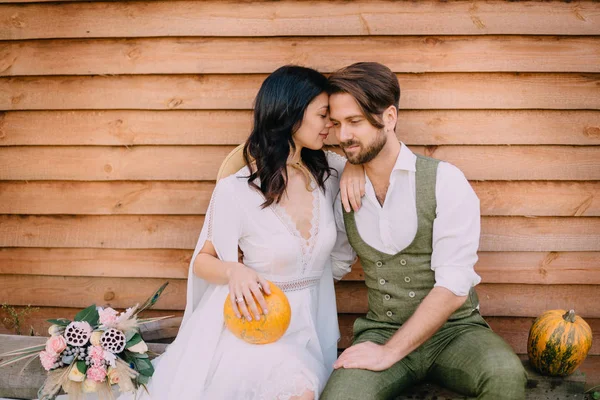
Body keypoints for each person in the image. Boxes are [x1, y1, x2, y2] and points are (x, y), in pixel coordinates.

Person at [115, 66, 360, 400]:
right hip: (255, 326)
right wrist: (234, 270)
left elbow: (372, 157)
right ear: (290, 115)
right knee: (297, 390)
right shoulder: (238, 191)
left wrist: (355, 169)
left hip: (314, 323)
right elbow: (203, 261)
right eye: (323, 115)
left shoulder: (330, 175)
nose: (331, 125)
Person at [322, 62, 527, 400]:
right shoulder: (343, 187)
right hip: (382, 329)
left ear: (389, 117)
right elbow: (330, 265)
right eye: (337, 124)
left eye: (355, 122)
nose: (343, 136)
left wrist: (390, 353)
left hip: (456, 333)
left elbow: (454, 285)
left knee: (504, 376)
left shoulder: (445, 181)